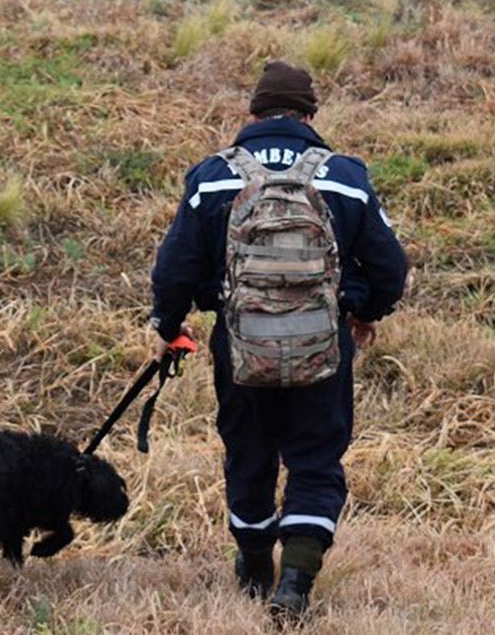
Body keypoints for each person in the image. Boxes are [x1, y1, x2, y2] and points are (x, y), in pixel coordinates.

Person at [148, 60, 408, 619]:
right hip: (323, 347)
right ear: (310, 115)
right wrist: (363, 309)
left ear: (252, 114)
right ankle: (295, 583)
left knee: (249, 455)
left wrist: (169, 327)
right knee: (315, 459)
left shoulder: (212, 177)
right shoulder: (345, 176)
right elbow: (391, 268)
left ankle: (253, 568)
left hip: (239, 347)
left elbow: (172, 271)